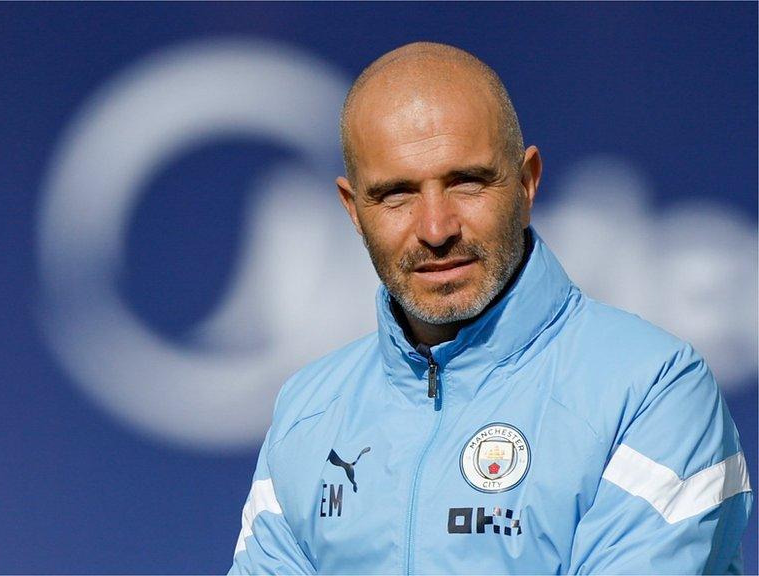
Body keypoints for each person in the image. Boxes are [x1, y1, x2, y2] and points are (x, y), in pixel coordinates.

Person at [228, 42, 753, 574]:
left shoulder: (654, 391)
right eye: (396, 195)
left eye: (466, 183)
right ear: (353, 210)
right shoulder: (307, 413)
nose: (436, 229)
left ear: (526, 183)